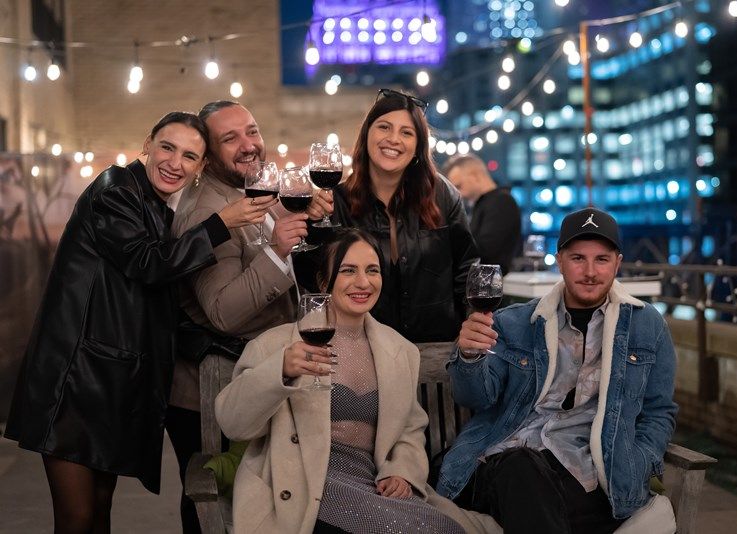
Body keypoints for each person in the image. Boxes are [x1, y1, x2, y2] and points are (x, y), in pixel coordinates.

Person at [3, 111, 271, 533]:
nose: (175, 163)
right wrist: (222, 222)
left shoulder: (156, 206)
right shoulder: (115, 191)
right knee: (77, 519)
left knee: (99, 511)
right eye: (167, 147)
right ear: (148, 144)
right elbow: (147, 263)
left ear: (200, 166)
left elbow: (158, 297)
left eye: (189, 156)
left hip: (107, 382)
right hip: (73, 381)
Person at [215, 229, 498, 534]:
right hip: (306, 482)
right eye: (348, 270)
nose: (363, 282)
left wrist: (402, 472)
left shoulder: (400, 350)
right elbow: (233, 424)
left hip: (372, 482)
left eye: (372, 270)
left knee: (446, 527)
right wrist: (279, 370)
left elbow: (409, 429)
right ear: (323, 281)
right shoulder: (276, 345)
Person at [436, 207, 678, 534]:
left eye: (602, 259)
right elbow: (475, 398)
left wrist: (639, 460)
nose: (590, 272)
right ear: (560, 260)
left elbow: (659, 411)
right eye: (578, 258)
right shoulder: (515, 322)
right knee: (522, 467)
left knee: (546, 502)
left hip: (587, 472)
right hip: (504, 461)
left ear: (617, 263)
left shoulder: (647, 326)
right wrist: (469, 356)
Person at [168, 100, 329, 533]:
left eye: (252, 131)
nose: (248, 145)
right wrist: (277, 251)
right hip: (213, 389)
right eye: (230, 138)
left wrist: (305, 220)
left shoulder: (253, 191)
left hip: (252, 376)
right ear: (207, 155)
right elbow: (223, 312)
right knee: (214, 504)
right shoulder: (207, 211)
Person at [300, 88, 478, 343]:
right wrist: (311, 224)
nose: (393, 139)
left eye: (406, 132)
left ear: (418, 146)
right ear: (367, 135)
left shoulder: (443, 194)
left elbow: (467, 271)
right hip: (361, 346)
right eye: (384, 127)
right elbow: (312, 281)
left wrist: (472, 323)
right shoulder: (335, 202)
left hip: (438, 346)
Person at [442, 153, 521, 275]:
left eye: (459, 186)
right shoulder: (486, 203)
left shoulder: (501, 202)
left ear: (475, 176)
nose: (458, 193)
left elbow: (486, 251)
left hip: (491, 281)